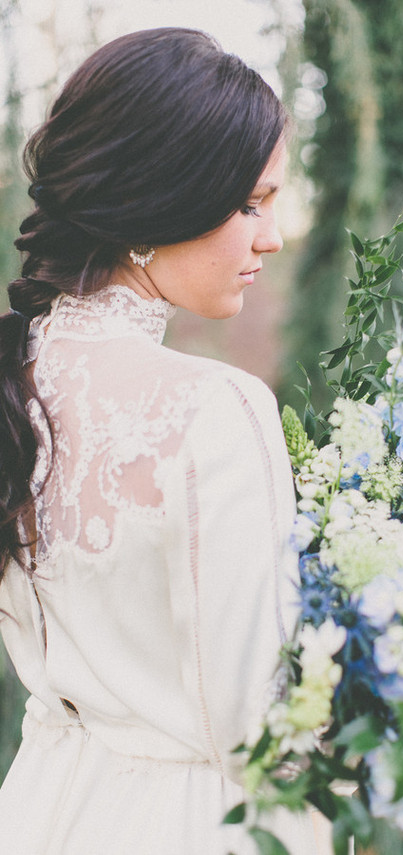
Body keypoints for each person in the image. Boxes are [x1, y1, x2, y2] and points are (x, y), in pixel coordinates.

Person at [0, 27, 325, 855]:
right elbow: (264, 732)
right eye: (251, 202)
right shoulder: (215, 410)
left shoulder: (15, 376)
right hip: (202, 825)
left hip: (45, 806)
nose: (271, 237)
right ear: (159, 200)